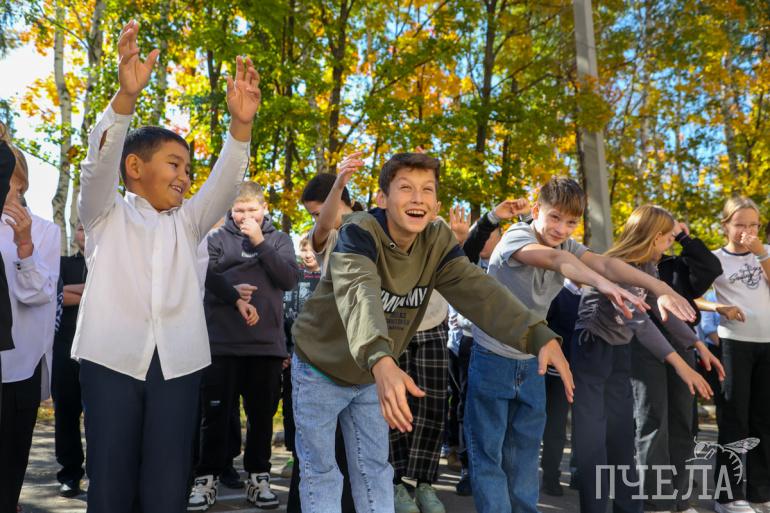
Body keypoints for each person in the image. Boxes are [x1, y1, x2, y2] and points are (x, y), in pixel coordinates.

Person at [290, 152, 573, 513]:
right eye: (406, 188)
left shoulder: (436, 239)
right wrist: (381, 358)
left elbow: (479, 291)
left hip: (370, 373)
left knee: (374, 468)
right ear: (382, 198)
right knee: (321, 471)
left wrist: (538, 334)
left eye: (427, 190)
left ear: (437, 204)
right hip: (320, 366)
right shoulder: (359, 230)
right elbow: (359, 292)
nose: (418, 198)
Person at [71, 21, 259, 513]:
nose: (184, 177)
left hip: (178, 364)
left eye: (188, 169)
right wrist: (125, 98)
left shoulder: (189, 223)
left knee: (167, 483)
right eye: (174, 164)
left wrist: (240, 127)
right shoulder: (105, 213)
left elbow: (224, 181)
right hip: (110, 359)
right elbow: (98, 165)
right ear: (135, 168)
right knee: (111, 481)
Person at [465, 179, 696, 513]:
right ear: (536, 211)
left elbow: (605, 263)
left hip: (532, 358)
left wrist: (661, 289)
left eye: (571, 222)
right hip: (492, 356)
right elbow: (557, 261)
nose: (562, 229)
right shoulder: (517, 236)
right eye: (555, 217)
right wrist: (603, 284)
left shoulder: (568, 244)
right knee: (489, 452)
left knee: (525, 452)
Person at [571, 204, 722, 513]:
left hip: (619, 350)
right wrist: (681, 366)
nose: (669, 245)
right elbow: (640, 322)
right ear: (655, 238)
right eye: (668, 239)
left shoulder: (648, 267)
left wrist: (697, 344)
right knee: (595, 439)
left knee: (622, 437)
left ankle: (632, 506)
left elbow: (662, 313)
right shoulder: (617, 266)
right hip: (592, 349)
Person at [190, 181, 298, 511]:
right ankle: (206, 477)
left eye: (252, 210)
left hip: (265, 347)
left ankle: (258, 477)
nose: (245, 216)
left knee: (261, 418)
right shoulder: (216, 239)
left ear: (265, 209)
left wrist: (259, 242)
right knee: (215, 417)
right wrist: (231, 290)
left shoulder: (279, 240)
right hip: (221, 345)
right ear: (230, 210)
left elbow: (288, 278)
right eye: (239, 210)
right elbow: (202, 276)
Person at [630, 220, 724, 513]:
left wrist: (685, 237)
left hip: (681, 345)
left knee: (683, 422)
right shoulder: (627, 266)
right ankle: (656, 500)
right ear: (650, 233)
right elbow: (642, 320)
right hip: (644, 348)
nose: (669, 239)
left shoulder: (677, 264)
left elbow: (711, 267)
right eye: (666, 234)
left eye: (672, 234)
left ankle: (681, 499)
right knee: (652, 422)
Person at [0, 138, 61, 513]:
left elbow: (39, 295)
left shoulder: (44, 231)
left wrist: (25, 246)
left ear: (20, 181)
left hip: (22, 363)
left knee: (10, 462)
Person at [709, 197, 770, 513]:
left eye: (753, 225)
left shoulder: (766, 252)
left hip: (767, 345)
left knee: (764, 419)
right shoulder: (714, 259)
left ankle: (760, 493)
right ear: (725, 226)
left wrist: (761, 253)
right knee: (734, 419)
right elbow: (689, 296)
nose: (747, 231)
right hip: (734, 344)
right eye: (740, 225)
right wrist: (718, 306)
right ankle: (727, 496)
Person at [52, 223, 88, 498]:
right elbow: (55, 296)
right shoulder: (63, 264)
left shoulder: (113, 264)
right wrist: (93, 291)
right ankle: (70, 474)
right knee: (66, 413)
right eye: (79, 228)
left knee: (102, 417)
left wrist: (72, 292)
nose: (83, 233)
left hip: (101, 350)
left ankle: (102, 474)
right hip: (65, 349)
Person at [540, 280, 581, 497]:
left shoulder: (592, 295)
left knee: (584, 426)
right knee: (555, 427)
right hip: (556, 373)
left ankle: (578, 474)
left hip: (584, 372)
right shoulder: (557, 293)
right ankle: (550, 477)